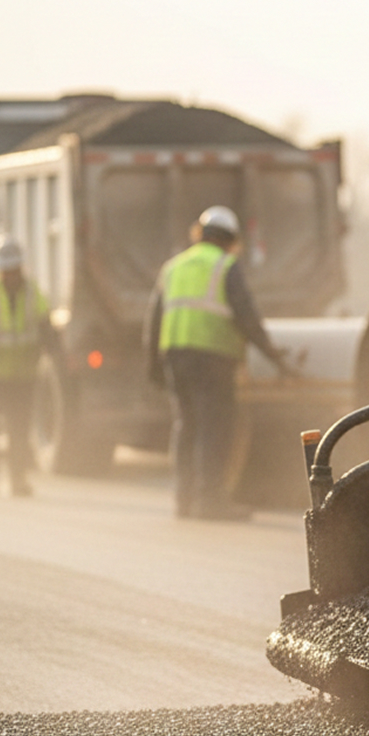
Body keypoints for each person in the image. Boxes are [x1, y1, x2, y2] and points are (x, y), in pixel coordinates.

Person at [144, 206, 292, 520]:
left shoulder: (173, 267)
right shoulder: (226, 266)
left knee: (186, 424)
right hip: (212, 356)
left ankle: (184, 500)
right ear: (230, 240)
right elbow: (246, 316)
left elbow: (154, 321)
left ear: (200, 234)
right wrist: (275, 357)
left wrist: (153, 367)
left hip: (176, 354)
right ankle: (210, 501)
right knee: (215, 428)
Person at [0, 234, 57, 497]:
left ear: (20, 268)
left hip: (22, 375)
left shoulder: (34, 295)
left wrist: (57, 357)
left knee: (19, 432)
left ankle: (18, 481)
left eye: (13, 269)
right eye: (5, 270)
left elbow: (47, 330)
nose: (9, 274)